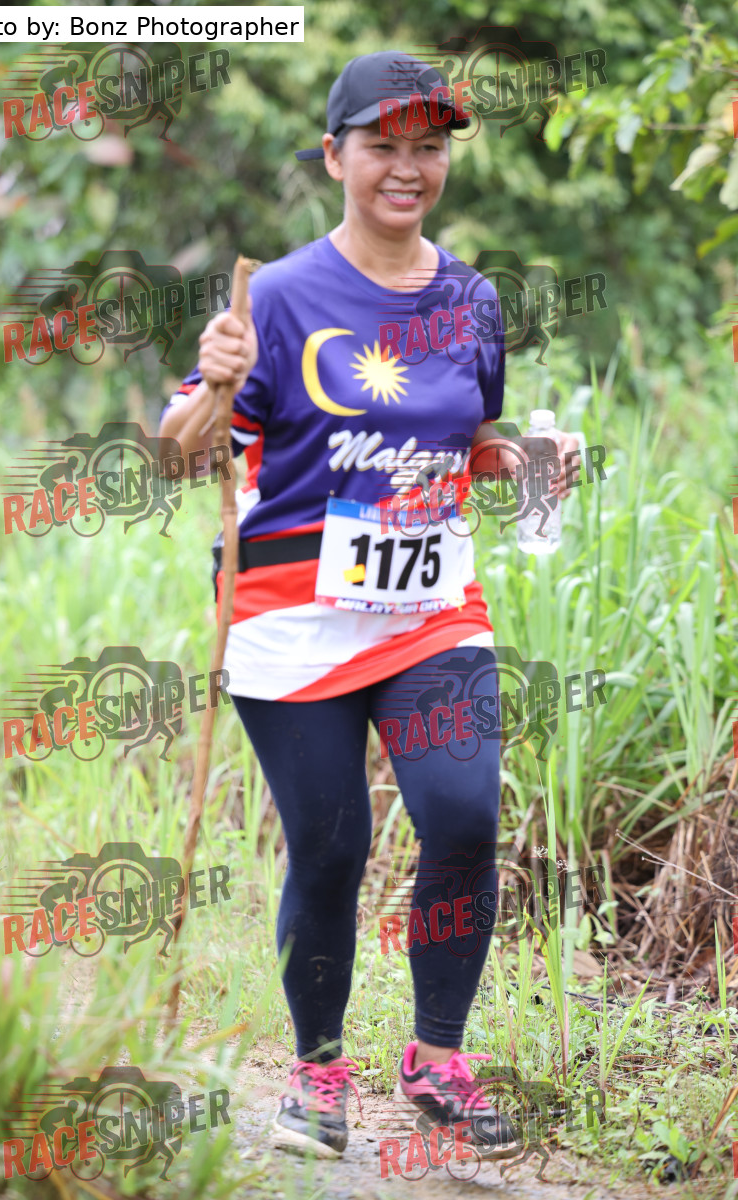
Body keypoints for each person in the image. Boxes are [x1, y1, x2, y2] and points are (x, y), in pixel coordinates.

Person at [159, 51, 579, 1164]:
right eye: (382, 145)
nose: (407, 167)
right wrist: (211, 382)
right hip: (292, 609)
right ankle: (318, 1066)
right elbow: (178, 453)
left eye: (427, 146)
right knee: (331, 845)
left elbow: (466, 439)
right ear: (333, 155)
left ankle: (437, 1058)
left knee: (464, 816)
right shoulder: (277, 297)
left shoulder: (471, 299)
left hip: (430, 601)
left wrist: (523, 460)